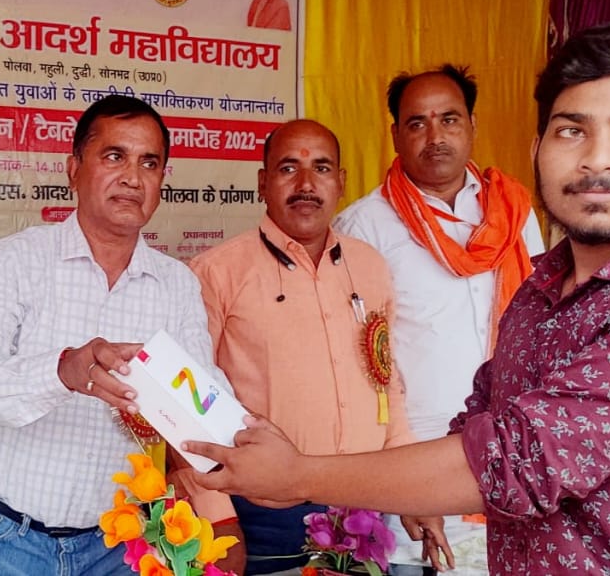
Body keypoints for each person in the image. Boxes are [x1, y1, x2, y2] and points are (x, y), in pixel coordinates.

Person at [188, 21, 610, 574]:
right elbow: (471, 415)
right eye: (572, 130)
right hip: (389, 486)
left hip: (397, 482)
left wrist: (300, 473)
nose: (598, 159)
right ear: (539, 148)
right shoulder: (537, 291)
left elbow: (517, 457)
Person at [0, 95, 227, 576]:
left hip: (116, 547)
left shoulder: (177, 284)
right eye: (115, 156)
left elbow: (201, 410)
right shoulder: (15, 260)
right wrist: (63, 372)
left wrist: (230, 427)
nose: (133, 178)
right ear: (74, 169)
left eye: (149, 163)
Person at [183, 119, 446, 575]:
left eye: (321, 168)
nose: (306, 184)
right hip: (264, 515)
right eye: (289, 168)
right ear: (263, 182)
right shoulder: (216, 273)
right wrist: (217, 518)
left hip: (365, 504)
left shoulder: (369, 266)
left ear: (340, 182)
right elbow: (187, 408)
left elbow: (387, 387)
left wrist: (414, 493)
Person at [333, 63, 543, 573]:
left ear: (472, 125)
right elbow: (350, 364)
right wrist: (397, 479)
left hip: (512, 449)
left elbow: (540, 320)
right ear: (395, 135)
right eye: (417, 123)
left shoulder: (514, 212)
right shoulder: (363, 226)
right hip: (414, 458)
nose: (435, 137)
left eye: (449, 119)